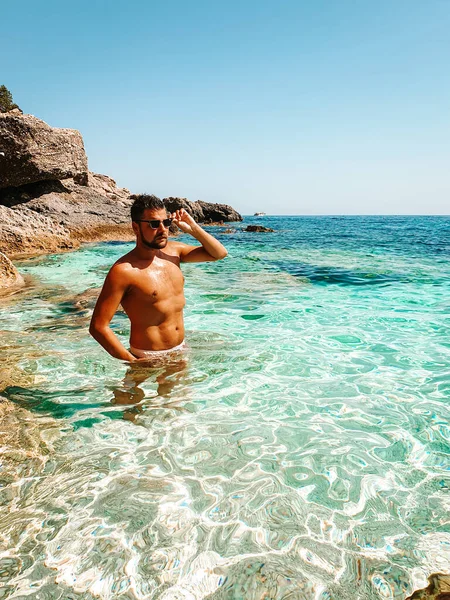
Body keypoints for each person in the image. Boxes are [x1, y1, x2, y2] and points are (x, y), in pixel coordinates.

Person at [89, 194, 228, 362]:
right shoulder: (124, 271)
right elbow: (98, 327)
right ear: (136, 227)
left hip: (180, 350)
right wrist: (133, 362)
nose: (163, 230)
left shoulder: (174, 252)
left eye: (166, 222)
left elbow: (219, 253)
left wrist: (193, 228)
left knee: (185, 390)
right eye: (154, 224)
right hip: (148, 357)